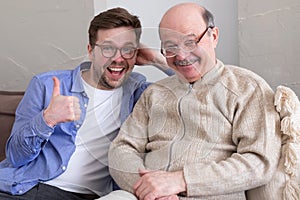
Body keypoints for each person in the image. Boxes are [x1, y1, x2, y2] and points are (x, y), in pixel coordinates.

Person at [108, 3, 282, 200]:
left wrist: (181, 181)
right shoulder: (154, 93)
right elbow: (121, 149)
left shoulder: (247, 88)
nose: (181, 55)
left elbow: (259, 162)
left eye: (190, 42)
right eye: (170, 47)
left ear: (213, 36)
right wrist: (151, 190)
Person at [0, 7, 173, 200]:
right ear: (90, 51)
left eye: (127, 49)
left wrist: (156, 59)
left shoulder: (140, 94)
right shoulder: (47, 85)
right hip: (26, 189)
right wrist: (47, 119)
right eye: (108, 48)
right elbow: (15, 156)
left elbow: (201, 86)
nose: (118, 58)